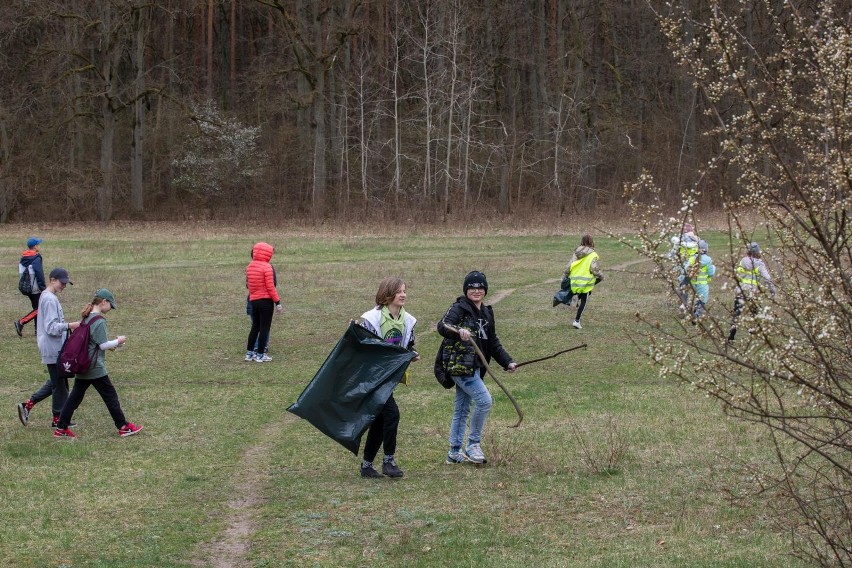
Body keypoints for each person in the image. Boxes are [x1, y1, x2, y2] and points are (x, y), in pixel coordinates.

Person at [437, 271, 516, 465]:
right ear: (466, 290)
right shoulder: (460, 308)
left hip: (476, 367)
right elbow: (443, 325)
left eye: (480, 287)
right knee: (484, 401)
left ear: (485, 290)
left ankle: (454, 452)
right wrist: (458, 331)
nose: (476, 290)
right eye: (472, 287)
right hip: (460, 367)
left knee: (462, 409)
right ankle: (473, 445)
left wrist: (507, 362)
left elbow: (493, 342)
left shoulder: (487, 313)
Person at [53, 289, 143, 439]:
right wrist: (119, 341)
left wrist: (113, 345)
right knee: (110, 396)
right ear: (104, 302)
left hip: (82, 365)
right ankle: (123, 426)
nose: (111, 309)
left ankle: (61, 428)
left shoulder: (86, 317)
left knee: (74, 397)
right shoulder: (99, 321)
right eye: (110, 306)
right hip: (94, 367)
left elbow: (94, 343)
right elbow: (102, 345)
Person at [357, 277, 419, 478]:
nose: (403, 295)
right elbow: (364, 347)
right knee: (392, 415)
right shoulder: (371, 319)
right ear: (387, 294)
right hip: (373, 378)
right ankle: (388, 461)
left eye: (404, 291)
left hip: (390, 377)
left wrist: (412, 354)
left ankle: (367, 466)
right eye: (399, 291)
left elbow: (406, 346)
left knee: (380, 420)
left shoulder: (407, 320)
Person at [17, 268, 81, 427]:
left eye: (66, 283)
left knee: (58, 380)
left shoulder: (47, 297)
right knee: (59, 384)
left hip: (52, 347)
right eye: (62, 282)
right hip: (52, 348)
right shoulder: (50, 299)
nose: (64, 286)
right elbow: (51, 327)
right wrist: (70, 325)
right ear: (52, 279)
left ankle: (28, 405)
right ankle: (58, 419)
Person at [728, 242, 777, 342]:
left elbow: (737, 274)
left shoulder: (743, 261)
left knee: (737, 312)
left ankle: (733, 329)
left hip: (741, 290)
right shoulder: (760, 264)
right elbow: (767, 278)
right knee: (754, 311)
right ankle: (752, 328)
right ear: (757, 252)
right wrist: (773, 291)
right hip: (753, 291)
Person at [245, 242, 282, 363]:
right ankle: (261, 354)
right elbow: (271, 286)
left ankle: (250, 353)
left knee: (255, 327)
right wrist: (277, 302)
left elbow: (248, 285)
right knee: (264, 328)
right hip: (266, 302)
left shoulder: (250, 266)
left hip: (253, 300)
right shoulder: (267, 267)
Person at [564, 234, 604, 329]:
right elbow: (594, 268)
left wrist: (565, 275)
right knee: (584, 301)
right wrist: (601, 276)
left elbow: (569, 265)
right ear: (591, 242)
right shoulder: (592, 254)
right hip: (585, 281)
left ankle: (576, 297)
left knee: (580, 294)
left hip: (575, 279)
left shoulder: (576, 252)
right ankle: (576, 321)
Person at [15, 237, 46, 337]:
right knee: (40, 308)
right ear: (35, 247)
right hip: (35, 288)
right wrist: (43, 287)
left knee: (36, 307)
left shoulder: (24, 257)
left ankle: (38, 330)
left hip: (26, 287)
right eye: (38, 244)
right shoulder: (36, 258)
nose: (39, 246)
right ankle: (21, 322)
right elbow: (39, 273)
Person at [682, 240, 716, 321]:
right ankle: (696, 315)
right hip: (702, 283)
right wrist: (714, 268)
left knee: (691, 297)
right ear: (706, 249)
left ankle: (687, 308)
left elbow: (685, 270)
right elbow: (711, 273)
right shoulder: (708, 260)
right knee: (702, 300)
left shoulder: (692, 258)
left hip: (692, 283)